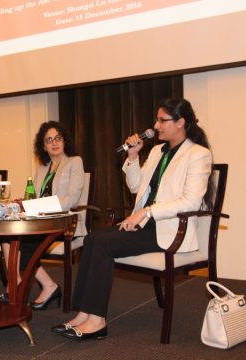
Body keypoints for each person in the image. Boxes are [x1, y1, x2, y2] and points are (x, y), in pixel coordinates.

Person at [51, 97, 213, 340]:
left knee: (103, 244)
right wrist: (134, 157)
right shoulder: (158, 150)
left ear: (180, 122)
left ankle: (97, 321)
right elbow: (136, 186)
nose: (156, 126)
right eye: (156, 120)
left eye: (162, 120)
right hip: (145, 223)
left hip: (168, 229)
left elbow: (190, 202)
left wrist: (146, 212)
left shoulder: (198, 154)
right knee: (93, 239)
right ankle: (84, 313)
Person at [1, 121, 86, 310]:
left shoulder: (74, 162)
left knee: (22, 244)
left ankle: (17, 285)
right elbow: (35, 197)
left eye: (58, 138)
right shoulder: (42, 167)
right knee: (6, 237)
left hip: (63, 220)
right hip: (40, 220)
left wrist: (41, 208)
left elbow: (71, 199)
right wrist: (23, 203)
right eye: (49, 140)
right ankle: (35, 284)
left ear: (64, 141)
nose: (54, 143)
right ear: (43, 146)